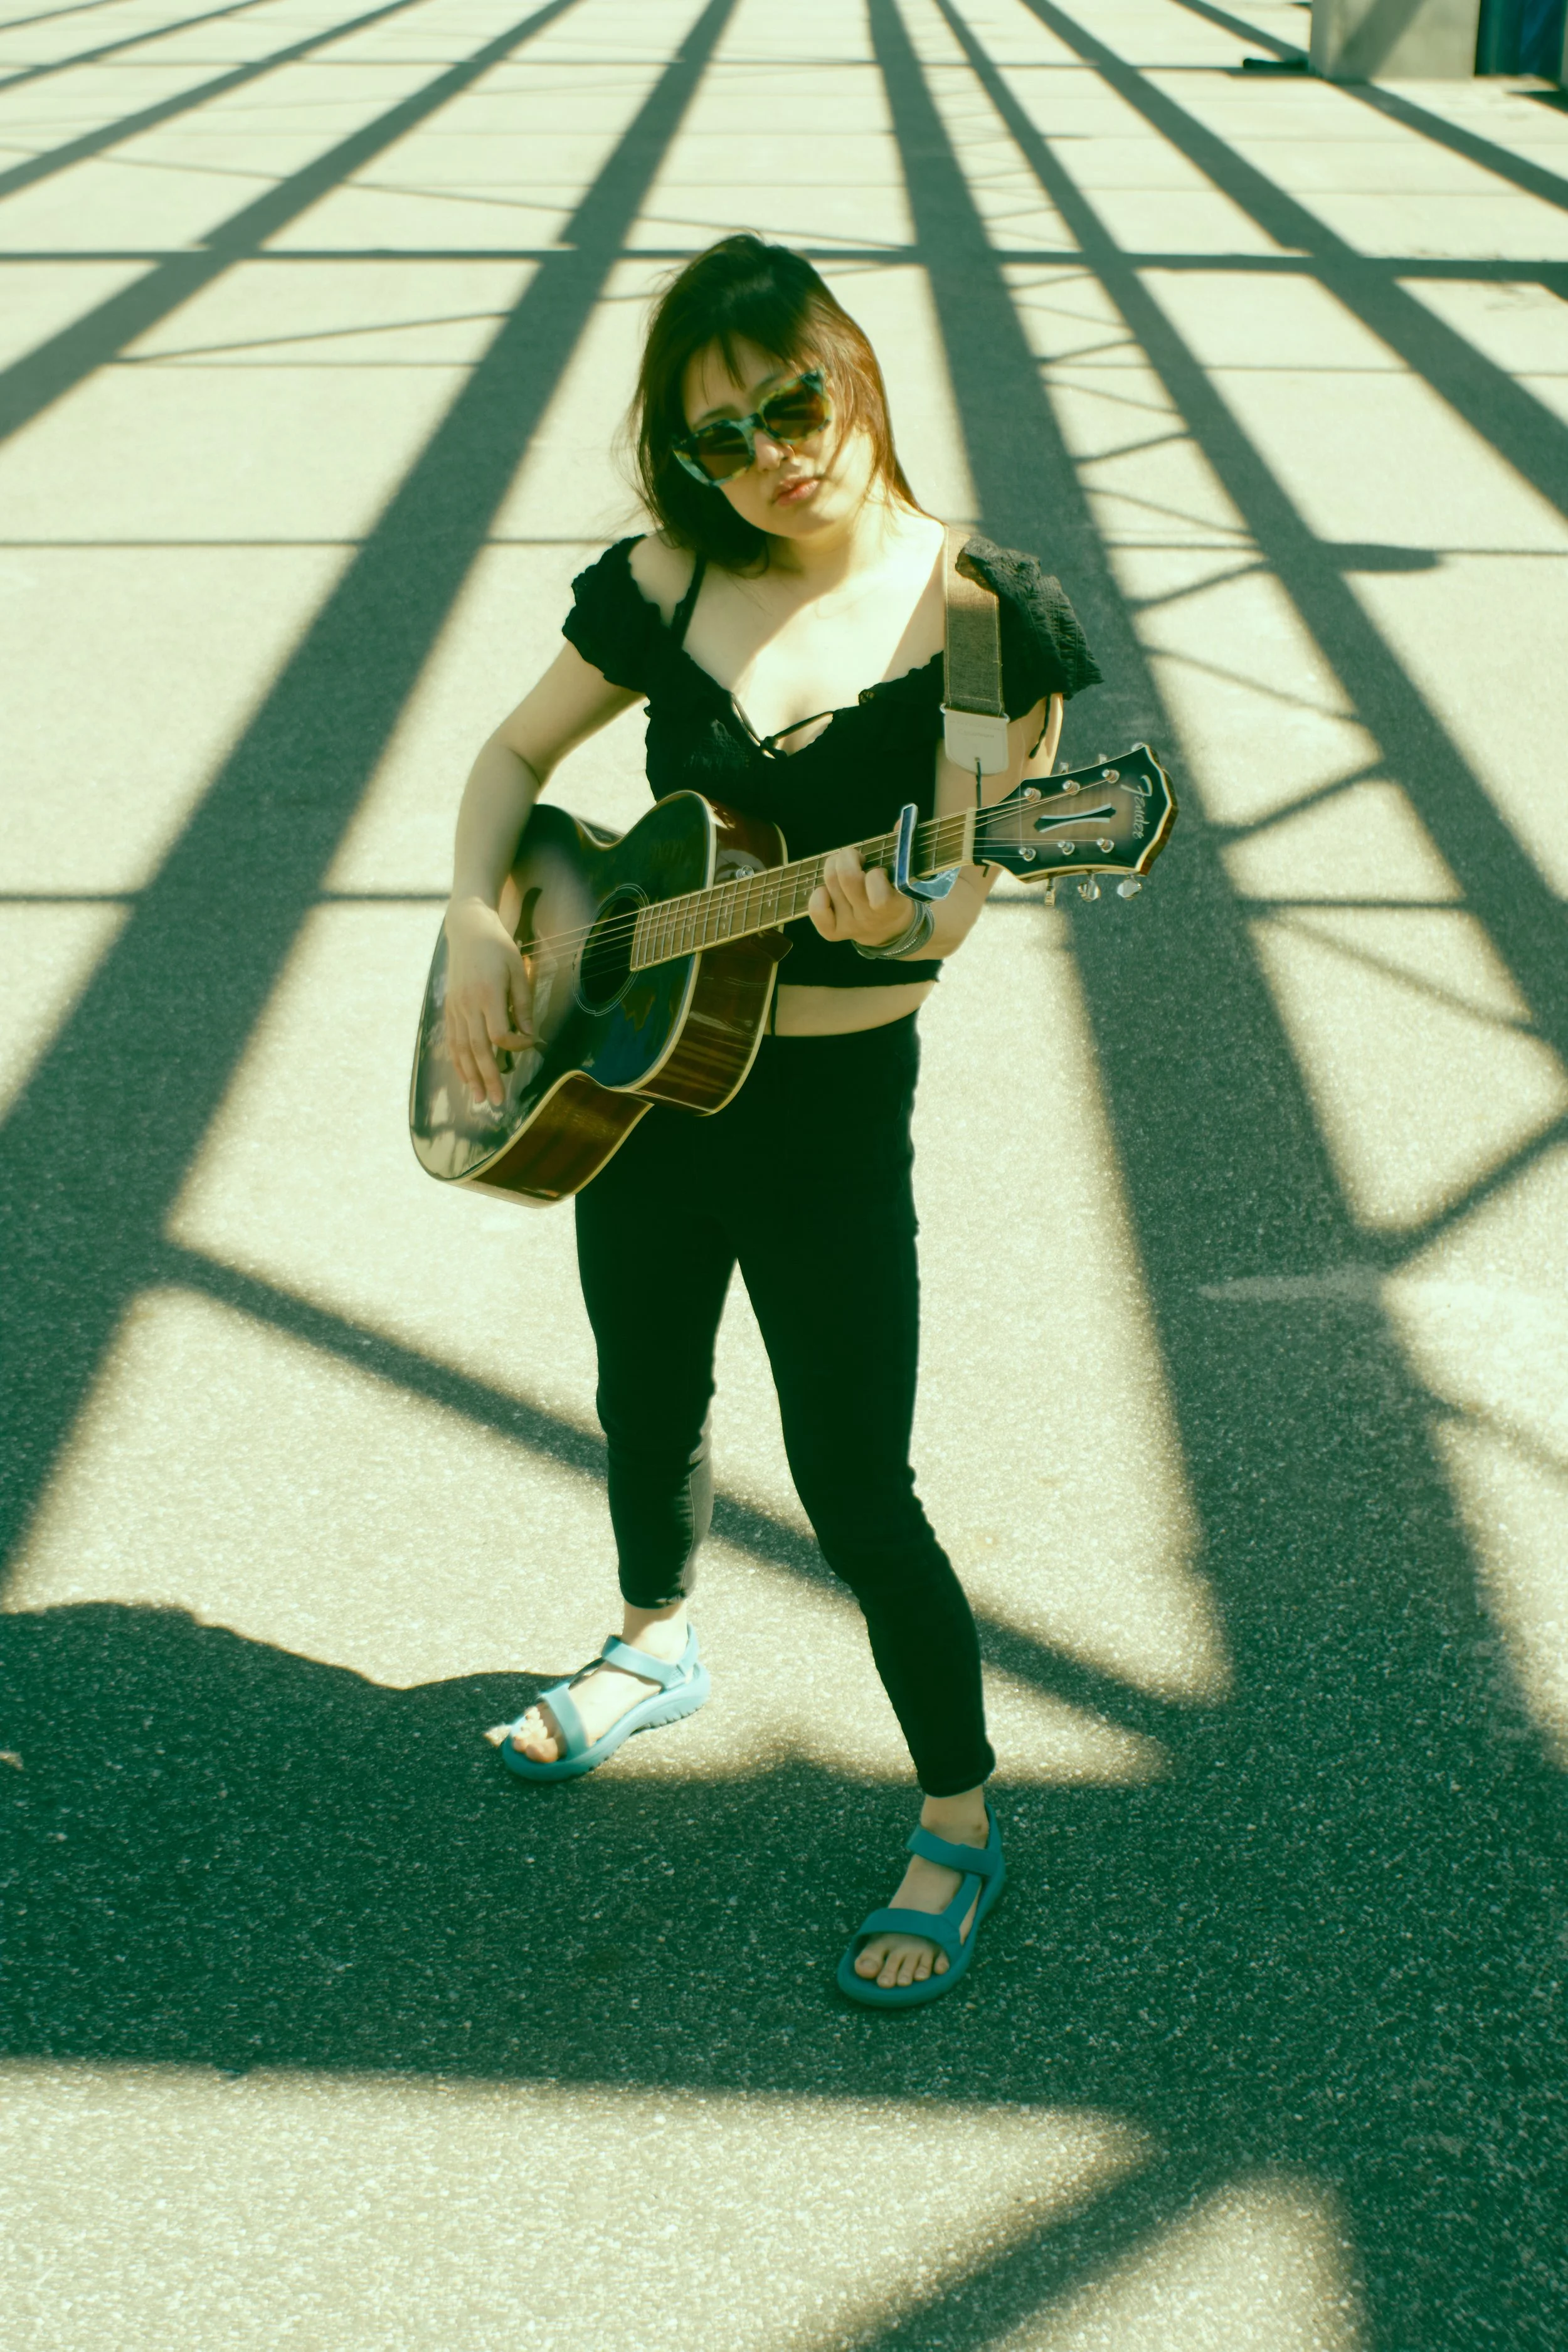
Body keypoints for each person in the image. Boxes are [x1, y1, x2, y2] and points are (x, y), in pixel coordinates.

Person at [440, 235, 1100, 2007]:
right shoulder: (668, 580)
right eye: (719, 437)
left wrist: (908, 905)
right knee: (643, 1384)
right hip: (635, 1083)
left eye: (791, 401)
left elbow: (961, 884)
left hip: (821, 1108)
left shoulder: (979, 620)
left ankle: (957, 1813)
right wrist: (478, 928)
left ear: (854, 367)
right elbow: (511, 762)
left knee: (852, 1477)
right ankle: (653, 1643)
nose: (769, 455)